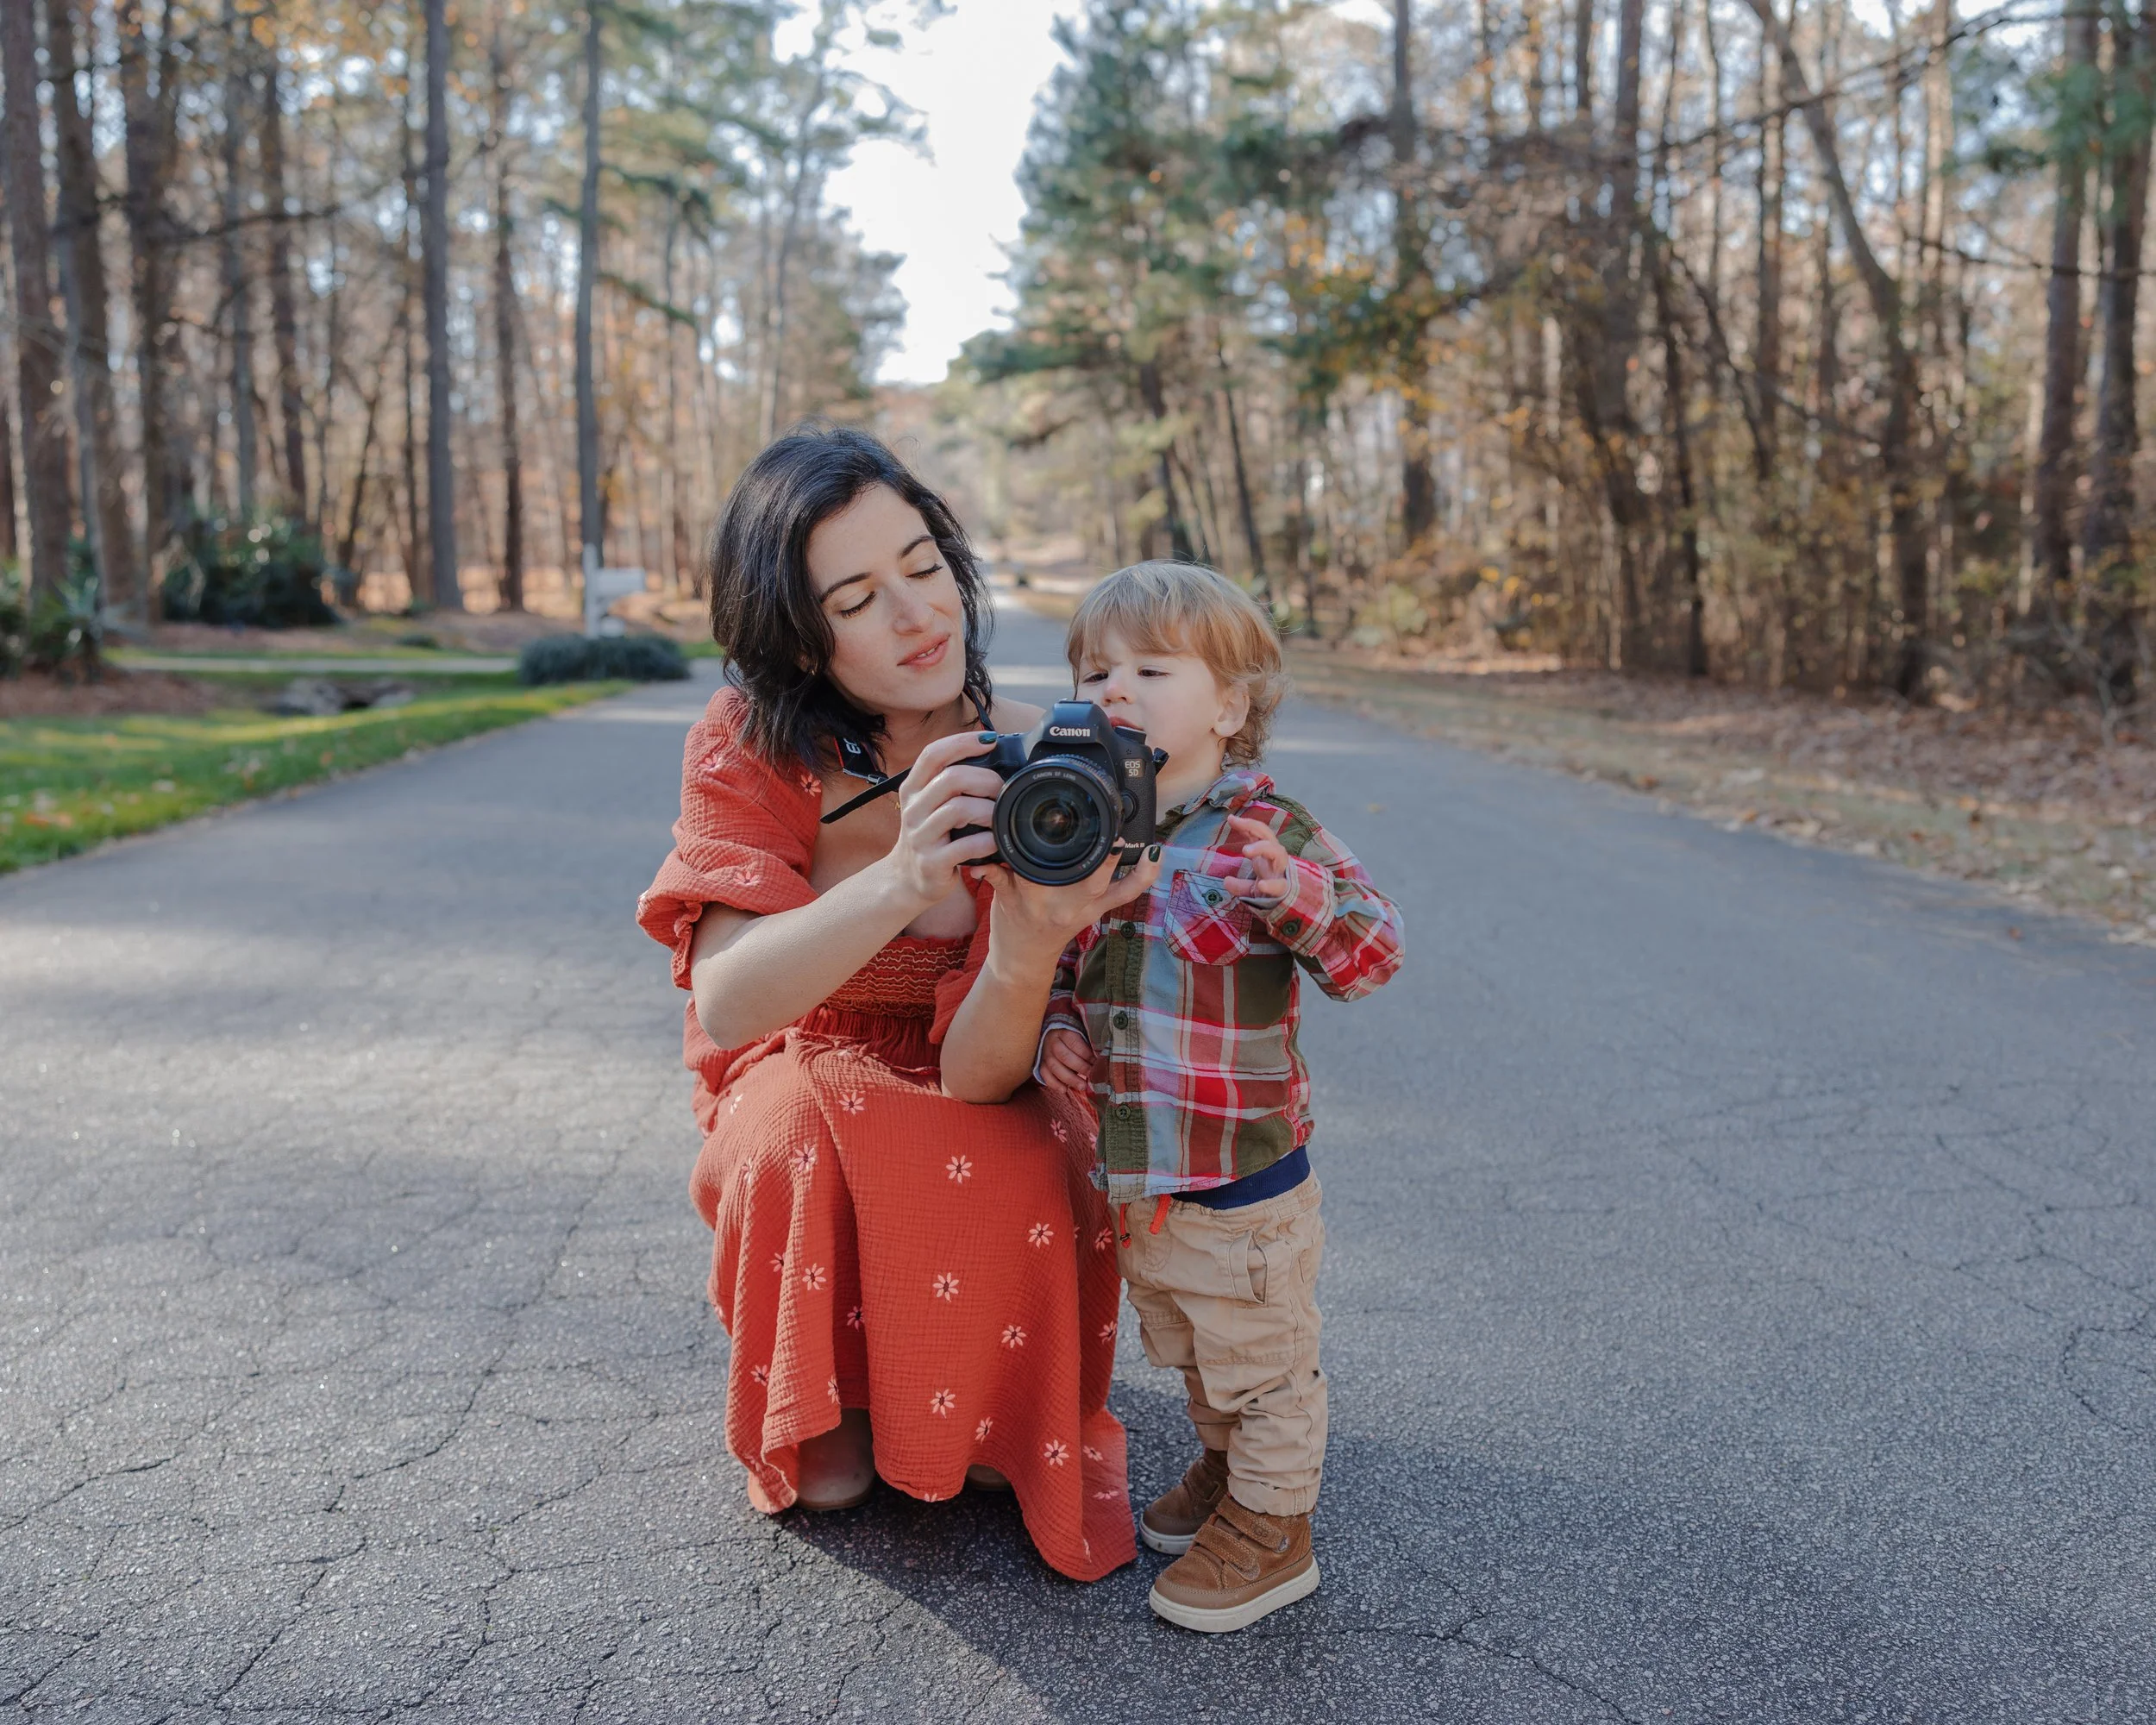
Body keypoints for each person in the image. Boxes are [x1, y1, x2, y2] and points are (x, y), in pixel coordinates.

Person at [636, 426, 1156, 1582]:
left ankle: (960, 1393)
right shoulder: (748, 744)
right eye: (858, 598)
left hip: (982, 1062)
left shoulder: (1038, 753)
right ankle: (847, 1389)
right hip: (807, 1054)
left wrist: (1039, 930)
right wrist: (904, 878)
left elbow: (988, 1067)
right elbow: (728, 1002)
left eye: (924, 567)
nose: (918, 616)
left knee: (1032, 1163)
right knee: (827, 1459)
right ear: (793, 634)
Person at [939, 561, 1405, 1631]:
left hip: (1240, 1173)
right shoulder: (1092, 819)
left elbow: (1373, 953)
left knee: (1264, 1357)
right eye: (1094, 667)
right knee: (1191, 1341)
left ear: (1230, 706)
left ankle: (1275, 1524)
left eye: (1152, 666)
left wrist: (1295, 896)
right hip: (1142, 1170)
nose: (1114, 687)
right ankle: (1225, 1463)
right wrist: (1057, 1023)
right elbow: (1064, 957)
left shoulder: (1265, 828)